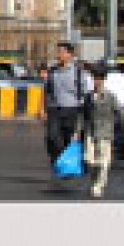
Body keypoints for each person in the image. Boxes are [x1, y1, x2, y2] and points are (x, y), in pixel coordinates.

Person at [43, 41, 92, 172]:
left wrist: (84, 111)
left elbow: (86, 92)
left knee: (68, 138)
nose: (58, 54)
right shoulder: (52, 71)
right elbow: (47, 91)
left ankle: (69, 164)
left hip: (72, 110)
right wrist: (43, 109)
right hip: (54, 109)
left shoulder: (79, 73)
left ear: (70, 54)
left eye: (61, 52)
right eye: (57, 51)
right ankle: (58, 158)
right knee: (52, 136)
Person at [82, 66, 120, 199]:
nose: (96, 82)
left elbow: (120, 113)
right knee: (89, 160)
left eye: (99, 79)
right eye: (95, 79)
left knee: (103, 162)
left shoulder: (110, 97)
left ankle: (98, 186)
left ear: (103, 80)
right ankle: (95, 181)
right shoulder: (88, 96)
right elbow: (83, 115)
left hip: (105, 132)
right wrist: (77, 131)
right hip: (90, 132)